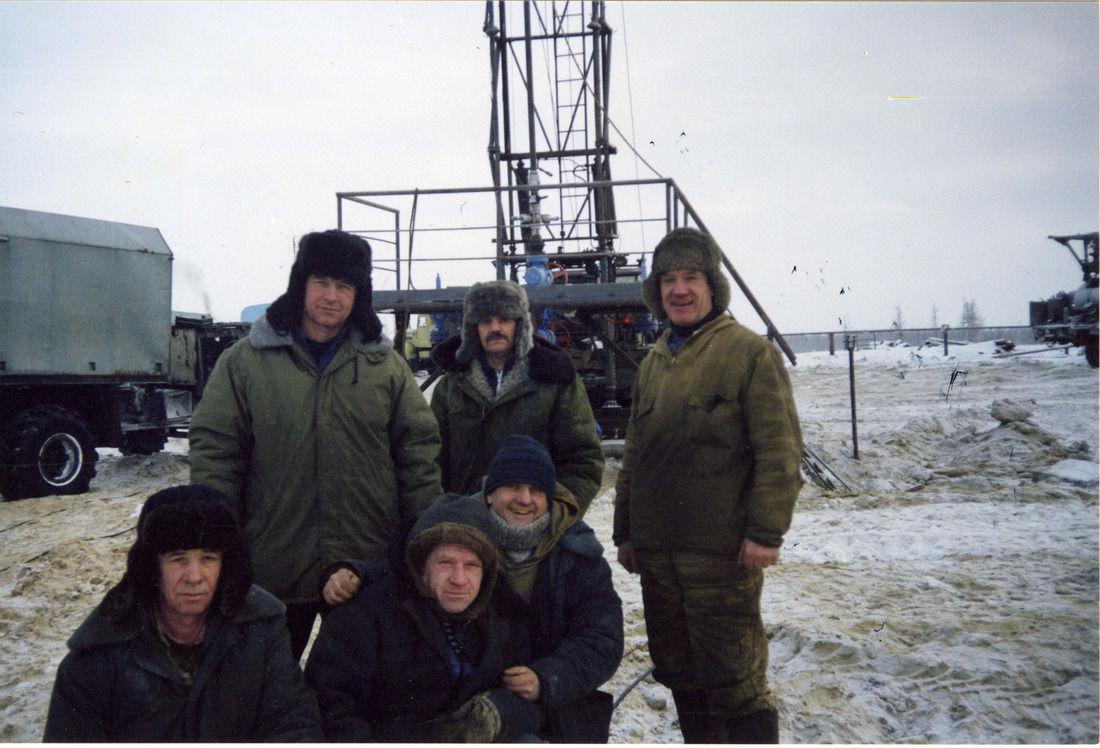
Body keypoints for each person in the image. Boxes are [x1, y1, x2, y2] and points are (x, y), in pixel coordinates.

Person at [189, 229, 442, 660]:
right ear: (300, 285)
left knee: (358, 698)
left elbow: (419, 457)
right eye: (321, 283)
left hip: (363, 569)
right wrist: (220, 543)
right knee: (263, 694)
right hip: (272, 569)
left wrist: (423, 544)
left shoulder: (386, 367)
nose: (331, 296)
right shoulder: (246, 362)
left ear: (358, 294)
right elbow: (216, 453)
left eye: (345, 286)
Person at [613, 227, 804, 743]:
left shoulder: (748, 354)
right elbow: (634, 455)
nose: (679, 290)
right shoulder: (653, 361)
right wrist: (624, 531)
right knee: (679, 671)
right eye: (668, 280)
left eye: (691, 278)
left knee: (734, 678)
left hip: (721, 557)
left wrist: (766, 532)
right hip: (658, 557)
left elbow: (781, 452)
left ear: (713, 287)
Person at [43, 485, 322, 742]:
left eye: (208, 558)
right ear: (153, 566)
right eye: (178, 559)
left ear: (226, 565)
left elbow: (293, 725)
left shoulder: (261, 630)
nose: (194, 576)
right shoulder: (97, 655)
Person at [303, 493, 541, 742]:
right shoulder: (366, 614)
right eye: (445, 562)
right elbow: (330, 710)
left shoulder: (501, 616)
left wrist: (499, 713)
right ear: (421, 567)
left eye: (471, 565)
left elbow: (530, 705)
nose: (459, 579)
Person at [479, 434, 624, 743]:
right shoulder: (457, 538)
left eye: (536, 489)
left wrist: (547, 678)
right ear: (490, 494)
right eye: (513, 487)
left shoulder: (578, 554)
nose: (525, 499)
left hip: (555, 708)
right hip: (475, 702)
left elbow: (602, 640)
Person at [429, 279, 603, 515]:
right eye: (485, 321)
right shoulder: (451, 388)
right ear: (473, 328)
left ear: (519, 325)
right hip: (469, 529)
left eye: (504, 319)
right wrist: (445, 514)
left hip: (534, 526)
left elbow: (584, 461)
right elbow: (431, 462)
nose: (495, 328)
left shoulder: (555, 381)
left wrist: (556, 518)